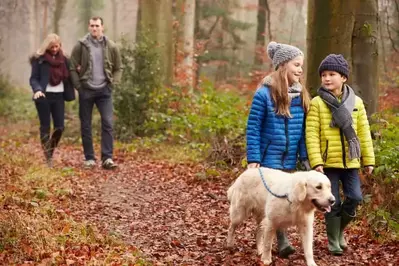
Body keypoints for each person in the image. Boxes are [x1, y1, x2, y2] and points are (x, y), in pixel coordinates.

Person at [246, 41, 311, 258]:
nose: (300, 69)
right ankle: (282, 241)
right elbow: (253, 128)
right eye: (296, 65)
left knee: (287, 198)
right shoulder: (264, 94)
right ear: (283, 65)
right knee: (277, 198)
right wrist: (254, 158)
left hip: (290, 159)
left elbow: (302, 132)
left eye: (301, 65)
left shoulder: (300, 94)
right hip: (268, 159)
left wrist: (305, 157)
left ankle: (273, 234)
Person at [306, 54, 375, 255]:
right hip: (327, 163)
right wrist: (316, 160)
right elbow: (311, 134)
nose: (326, 79)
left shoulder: (357, 103)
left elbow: (363, 132)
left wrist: (368, 160)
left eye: (332, 74)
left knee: (355, 197)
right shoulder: (318, 103)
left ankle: (340, 231)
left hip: (351, 162)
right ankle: (333, 240)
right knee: (332, 201)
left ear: (343, 77)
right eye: (323, 75)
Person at [69, 16, 122, 170]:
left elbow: (119, 68)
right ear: (88, 27)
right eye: (92, 26)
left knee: (107, 123)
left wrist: (114, 83)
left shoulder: (111, 46)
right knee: (86, 125)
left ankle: (107, 158)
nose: (94, 28)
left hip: (104, 91)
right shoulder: (81, 45)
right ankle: (90, 158)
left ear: (102, 27)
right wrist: (79, 86)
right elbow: (72, 67)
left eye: (97, 26)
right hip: (86, 90)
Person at [29, 33, 75, 167]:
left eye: (57, 46)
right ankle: (48, 157)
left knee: (59, 127)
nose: (54, 49)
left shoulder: (65, 59)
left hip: (59, 96)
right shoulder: (39, 59)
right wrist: (37, 90)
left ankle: (49, 151)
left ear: (60, 46)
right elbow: (33, 78)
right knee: (45, 126)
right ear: (47, 46)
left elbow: (71, 75)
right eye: (52, 47)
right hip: (43, 96)